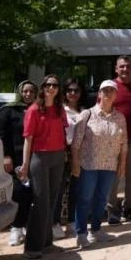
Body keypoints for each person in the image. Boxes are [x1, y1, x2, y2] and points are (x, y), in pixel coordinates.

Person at [71, 79, 128, 249]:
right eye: (105, 90)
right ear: (99, 94)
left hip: (109, 165)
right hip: (89, 164)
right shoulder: (87, 114)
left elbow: (124, 143)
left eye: (112, 90)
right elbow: (76, 143)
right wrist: (75, 163)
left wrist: (122, 164)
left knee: (102, 199)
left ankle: (96, 230)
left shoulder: (120, 118)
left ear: (116, 95)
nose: (108, 93)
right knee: (85, 198)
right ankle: (81, 233)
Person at [19, 74, 68, 259]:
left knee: (52, 201)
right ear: (43, 87)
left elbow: (63, 132)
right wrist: (25, 165)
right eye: (48, 85)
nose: (51, 88)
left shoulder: (59, 109)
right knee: (40, 202)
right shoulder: (33, 110)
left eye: (55, 85)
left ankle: (47, 243)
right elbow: (28, 139)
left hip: (58, 156)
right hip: (39, 158)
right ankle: (32, 247)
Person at [0, 80, 37, 247]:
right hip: (14, 159)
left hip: (34, 158)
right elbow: (0, 135)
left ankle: (25, 226)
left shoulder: (38, 110)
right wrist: (5, 156)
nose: (28, 94)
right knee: (19, 193)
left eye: (31, 91)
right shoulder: (7, 111)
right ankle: (16, 228)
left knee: (31, 193)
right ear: (19, 92)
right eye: (25, 91)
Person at [107, 55, 131, 224]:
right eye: (122, 66)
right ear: (116, 69)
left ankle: (130, 208)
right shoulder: (109, 87)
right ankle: (111, 210)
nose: (125, 69)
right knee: (113, 177)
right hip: (113, 141)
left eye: (128, 66)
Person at [56, 79, 84, 239]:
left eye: (76, 90)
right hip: (63, 152)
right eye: (69, 90)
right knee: (59, 189)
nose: (73, 93)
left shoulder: (84, 111)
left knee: (76, 189)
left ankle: (72, 222)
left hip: (80, 154)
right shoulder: (60, 110)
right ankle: (56, 223)